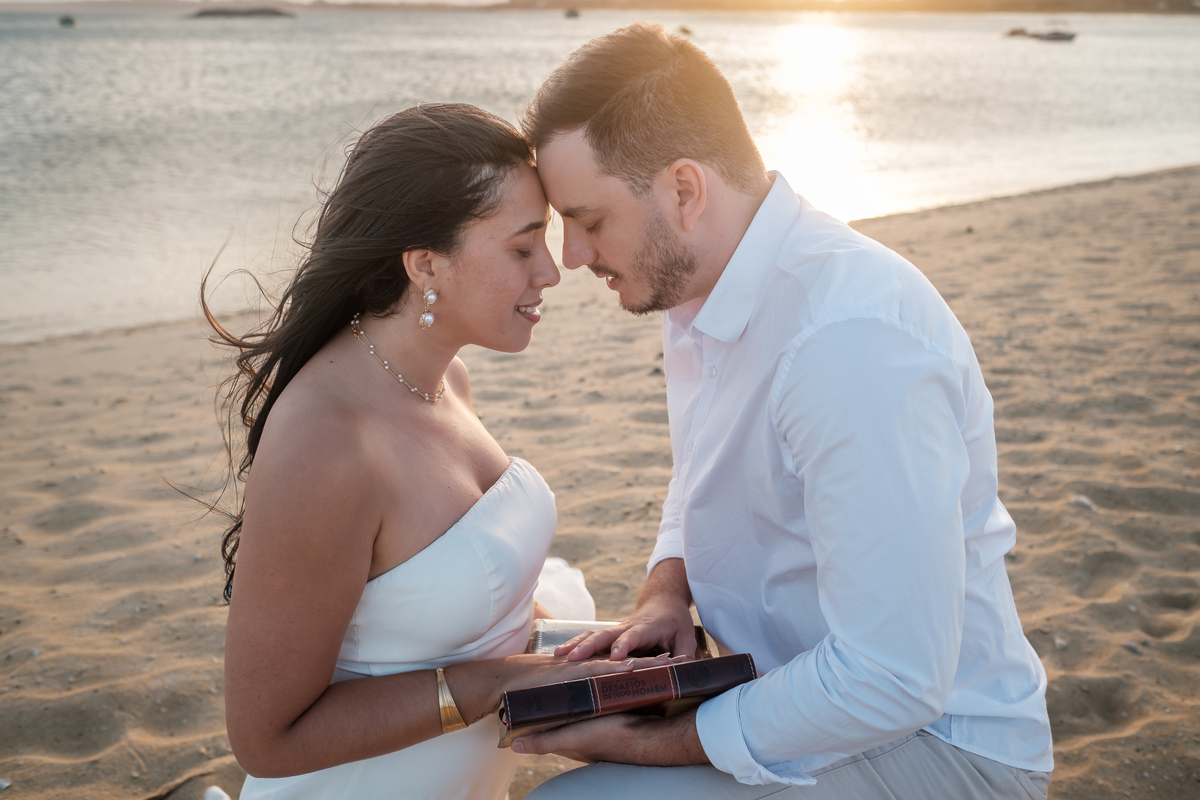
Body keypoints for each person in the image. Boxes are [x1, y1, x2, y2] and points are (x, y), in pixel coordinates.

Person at [513, 24, 1055, 799]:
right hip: (795, 687)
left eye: (590, 221)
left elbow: (893, 680)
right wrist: (668, 588)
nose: (570, 256)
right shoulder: (698, 285)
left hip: (942, 746)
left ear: (685, 191)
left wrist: (664, 743)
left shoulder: (848, 345)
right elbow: (707, 463)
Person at [204, 103, 661, 800]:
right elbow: (266, 739)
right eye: (521, 247)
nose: (551, 271)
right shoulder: (326, 445)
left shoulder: (447, 378)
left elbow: (460, 613)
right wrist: (499, 684)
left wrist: (620, 654)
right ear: (425, 264)